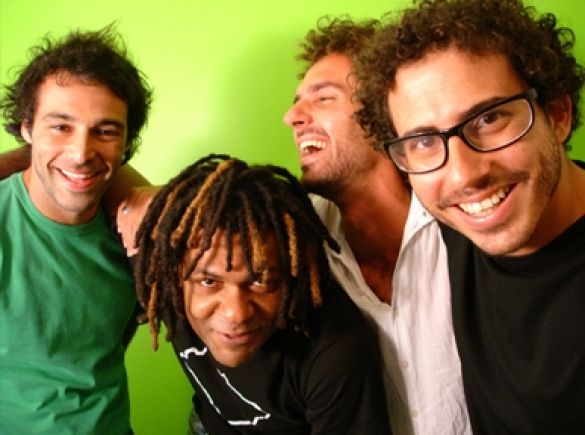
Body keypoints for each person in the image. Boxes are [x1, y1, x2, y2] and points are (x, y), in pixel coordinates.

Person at [356, 0, 585, 433]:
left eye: (489, 118)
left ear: (557, 114)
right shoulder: (451, 228)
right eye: (424, 142)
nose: (463, 175)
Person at [283, 17, 471, 435]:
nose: (291, 116)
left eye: (323, 98)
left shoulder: (469, 213)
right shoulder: (297, 238)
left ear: (385, 111)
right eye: (297, 102)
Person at [129, 153, 391, 434]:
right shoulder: (164, 280)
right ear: (174, 272)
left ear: (292, 275)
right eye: (209, 282)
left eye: (261, 282)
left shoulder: (335, 353)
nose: (236, 314)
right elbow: (98, 160)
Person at [0, 26, 152, 434]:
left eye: (105, 131)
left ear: (126, 142)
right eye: (60, 126)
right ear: (27, 128)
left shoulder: (138, 233)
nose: (81, 153)